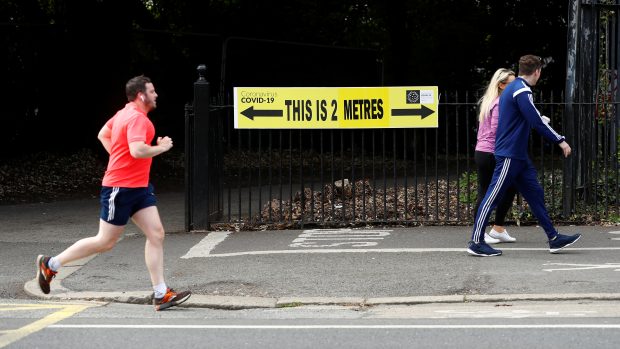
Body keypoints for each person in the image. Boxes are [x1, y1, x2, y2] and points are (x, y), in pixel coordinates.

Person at [36, 75, 191, 310]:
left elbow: (103, 134)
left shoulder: (122, 114)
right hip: (120, 188)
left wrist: (119, 157)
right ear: (141, 95)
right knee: (105, 241)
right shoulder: (138, 119)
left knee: (156, 234)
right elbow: (138, 150)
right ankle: (51, 264)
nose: (156, 94)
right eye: (152, 91)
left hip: (139, 187)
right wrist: (161, 147)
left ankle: (161, 293)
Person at [467, 55, 582, 257]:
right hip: (510, 154)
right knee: (491, 197)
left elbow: (527, 118)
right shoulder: (521, 90)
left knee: (535, 195)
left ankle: (554, 238)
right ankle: (476, 242)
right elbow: (536, 121)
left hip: (518, 156)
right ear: (537, 72)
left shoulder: (512, 89)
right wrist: (560, 140)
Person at [474, 68, 518, 244]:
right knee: (486, 192)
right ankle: (480, 232)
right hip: (492, 152)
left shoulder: (490, 100)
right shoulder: (500, 103)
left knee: (510, 187)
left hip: (485, 151)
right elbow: (497, 130)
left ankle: (498, 229)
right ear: (501, 85)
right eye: (512, 83)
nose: (516, 86)